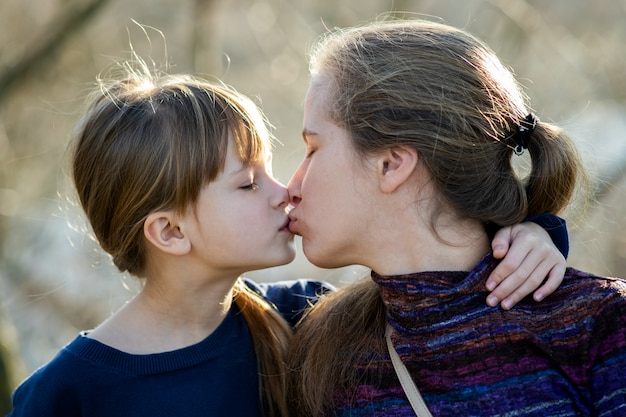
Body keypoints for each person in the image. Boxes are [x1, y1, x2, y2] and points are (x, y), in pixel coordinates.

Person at [8, 59, 566, 416]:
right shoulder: (64, 398)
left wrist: (532, 237)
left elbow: (444, 305)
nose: (285, 192)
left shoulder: (304, 322)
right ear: (170, 231)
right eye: (249, 182)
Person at [286, 19, 626, 417]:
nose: (292, 185)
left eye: (312, 149)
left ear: (391, 164)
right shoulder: (318, 349)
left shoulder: (602, 323)